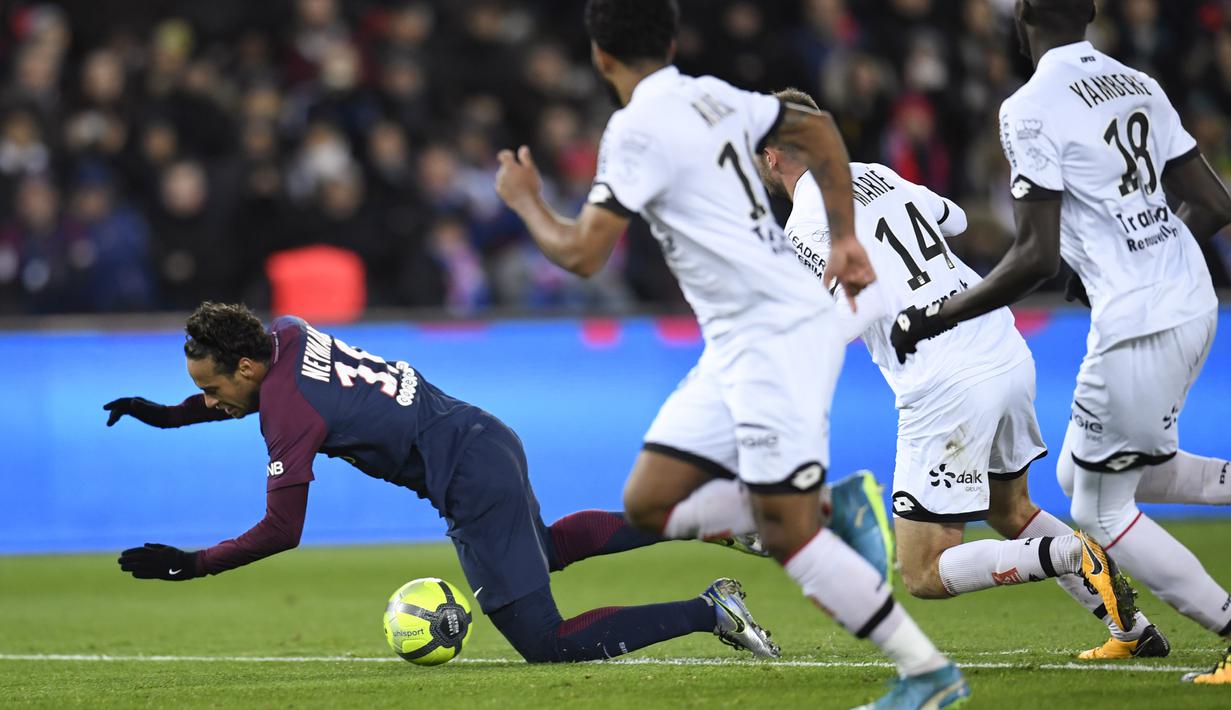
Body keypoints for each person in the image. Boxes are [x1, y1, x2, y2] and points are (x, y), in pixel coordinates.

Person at [495, 1, 965, 707]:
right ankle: (825, 509)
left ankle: (926, 674)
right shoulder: (715, 95)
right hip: (739, 338)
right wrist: (843, 236)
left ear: (600, 57)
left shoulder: (633, 129)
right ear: (673, 39)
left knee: (789, 536)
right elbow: (820, 129)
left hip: (774, 332)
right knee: (648, 503)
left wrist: (526, 202)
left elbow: (584, 253)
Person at [103, 301, 780, 664]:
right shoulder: (286, 330)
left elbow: (283, 531)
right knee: (540, 549)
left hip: (466, 476)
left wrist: (193, 565)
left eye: (210, 386)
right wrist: (167, 416)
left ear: (246, 367)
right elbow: (248, 395)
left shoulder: (287, 416)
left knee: (546, 643)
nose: (208, 399)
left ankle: (707, 610)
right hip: (482, 436)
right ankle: (708, 517)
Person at [889, 0, 1231, 683]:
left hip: (1139, 321)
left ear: (1019, 23)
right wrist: (1132, 261)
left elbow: (1033, 257)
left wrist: (938, 315)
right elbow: (1215, 205)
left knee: (1097, 508)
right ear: (1091, 16)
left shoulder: (1028, 106)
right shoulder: (1138, 83)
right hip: (1192, 300)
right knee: (1085, 470)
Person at [758, 87, 1163, 660]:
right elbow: (955, 217)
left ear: (771, 155)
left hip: (943, 379)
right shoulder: (878, 174)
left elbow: (852, 313)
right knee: (1010, 510)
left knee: (922, 570)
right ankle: (1133, 630)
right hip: (1001, 345)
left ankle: (1071, 554)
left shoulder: (805, 224)